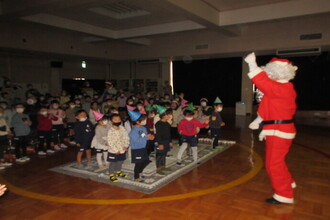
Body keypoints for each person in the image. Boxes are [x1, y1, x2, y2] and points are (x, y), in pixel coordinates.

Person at [245, 52, 298, 205]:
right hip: (277, 129)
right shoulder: (281, 89)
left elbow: (261, 81)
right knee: (277, 161)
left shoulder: (282, 88)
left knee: (273, 164)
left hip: (279, 130)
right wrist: (257, 120)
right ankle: (288, 183)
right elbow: (269, 109)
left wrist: (252, 64)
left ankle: (284, 194)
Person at [128, 110, 154, 182]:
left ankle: (140, 171)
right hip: (136, 149)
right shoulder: (133, 131)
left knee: (146, 161)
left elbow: (144, 135)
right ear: (137, 121)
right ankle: (136, 177)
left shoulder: (143, 128)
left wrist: (150, 136)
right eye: (143, 120)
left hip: (143, 147)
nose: (145, 121)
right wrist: (147, 137)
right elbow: (137, 140)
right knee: (138, 163)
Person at [107, 114, 129, 182]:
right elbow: (110, 142)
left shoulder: (122, 128)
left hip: (122, 149)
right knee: (113, 163)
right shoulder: (110, 131)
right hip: (113, 151)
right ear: (111, 121)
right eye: (115, 119)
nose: (117, 121)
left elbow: (126, 137)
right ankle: (111, 174)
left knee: (120, 161)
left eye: (119, 119)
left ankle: (118, 171)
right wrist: (115, 150)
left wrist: (126, 145)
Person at [154, 106, 173, 175]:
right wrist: (160, 144)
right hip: (160, 141)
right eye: (168, 114)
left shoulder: (167, 123)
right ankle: (158, 168)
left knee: (164, 154)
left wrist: (170, 141)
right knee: (159, 154)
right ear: (164, 116)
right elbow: (158, 135)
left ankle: (163, 166)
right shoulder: (158, 124)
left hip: (166, 141)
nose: (170, 116)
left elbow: (169, 133)